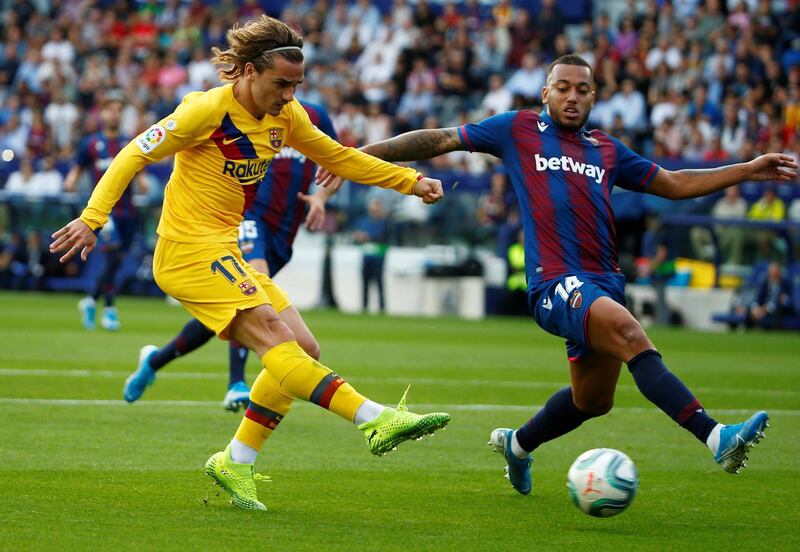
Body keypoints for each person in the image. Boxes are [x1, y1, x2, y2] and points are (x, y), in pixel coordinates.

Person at [320, 54, 795, 495]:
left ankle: (518, 445)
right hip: (555, 283)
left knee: (592, 401)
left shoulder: (606, 149)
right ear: (545, 93)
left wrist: (747, 169)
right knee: (632, 334)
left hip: (605, 282)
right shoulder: (518, 129)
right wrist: (356, 156)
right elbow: (440, 138)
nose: (572, 96)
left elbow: (672, 183)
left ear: (593, 97)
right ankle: (716, 437)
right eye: (563, 88)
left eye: (582, 90)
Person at [50, 16, 449, 512]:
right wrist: (93, 219)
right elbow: (134, 154)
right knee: (277, 342)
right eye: (281, 84)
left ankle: (235, 460)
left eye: (297, 85)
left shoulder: (288, 116)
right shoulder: (205, 110)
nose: (289, 95)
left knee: (304, 346)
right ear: (245, 71)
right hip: (187, 250)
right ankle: (374, 417)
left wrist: (409, 181)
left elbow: (340, 158)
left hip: (223, 247)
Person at [123, 100, 341, 412]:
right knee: (250, 297)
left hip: (284, 231)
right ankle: (236, 383)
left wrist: (320, 197)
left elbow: (338, 161)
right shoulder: (247, 111)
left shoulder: (311, 116)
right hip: (246, 219)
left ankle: (154, 361)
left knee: (229, 316)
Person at [64, 90, 148, 331]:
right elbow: (78, 167)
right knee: (112, 256)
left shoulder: (127, 143)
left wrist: (142, 182)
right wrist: (71, 180)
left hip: (128, 210)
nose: (115, 114)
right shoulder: (91, 143)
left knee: (119, 258)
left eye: (119, 110)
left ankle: (91, 299)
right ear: (102, 113)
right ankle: (109, 309)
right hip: (105, 213)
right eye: (111, 109)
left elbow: (137, 167)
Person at [353, 196, 389, 313]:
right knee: (365, 283)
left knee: (379, 282)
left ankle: (382, 308)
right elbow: (357, 236)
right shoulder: (364, 221)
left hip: (378, 256)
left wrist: (367, 237)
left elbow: (383, 237)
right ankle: (364, 307)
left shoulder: (384, 222)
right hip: (366, 256)